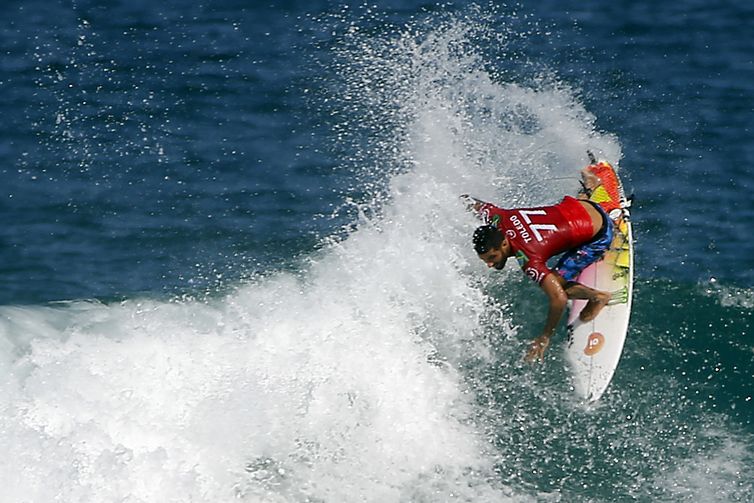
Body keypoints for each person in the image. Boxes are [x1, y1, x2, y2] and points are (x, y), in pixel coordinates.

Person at [463, 177, 614, 363]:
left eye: (492, 258)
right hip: (582, 205)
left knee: (557, 285)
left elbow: (559, 298)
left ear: (504, 243)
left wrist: (545, 337)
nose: (490, 264)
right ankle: (590, 189)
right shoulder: (497, 216)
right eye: (485, 260)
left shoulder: (528, 258)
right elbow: (473, 203)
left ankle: (598, 297)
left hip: (599, 234)